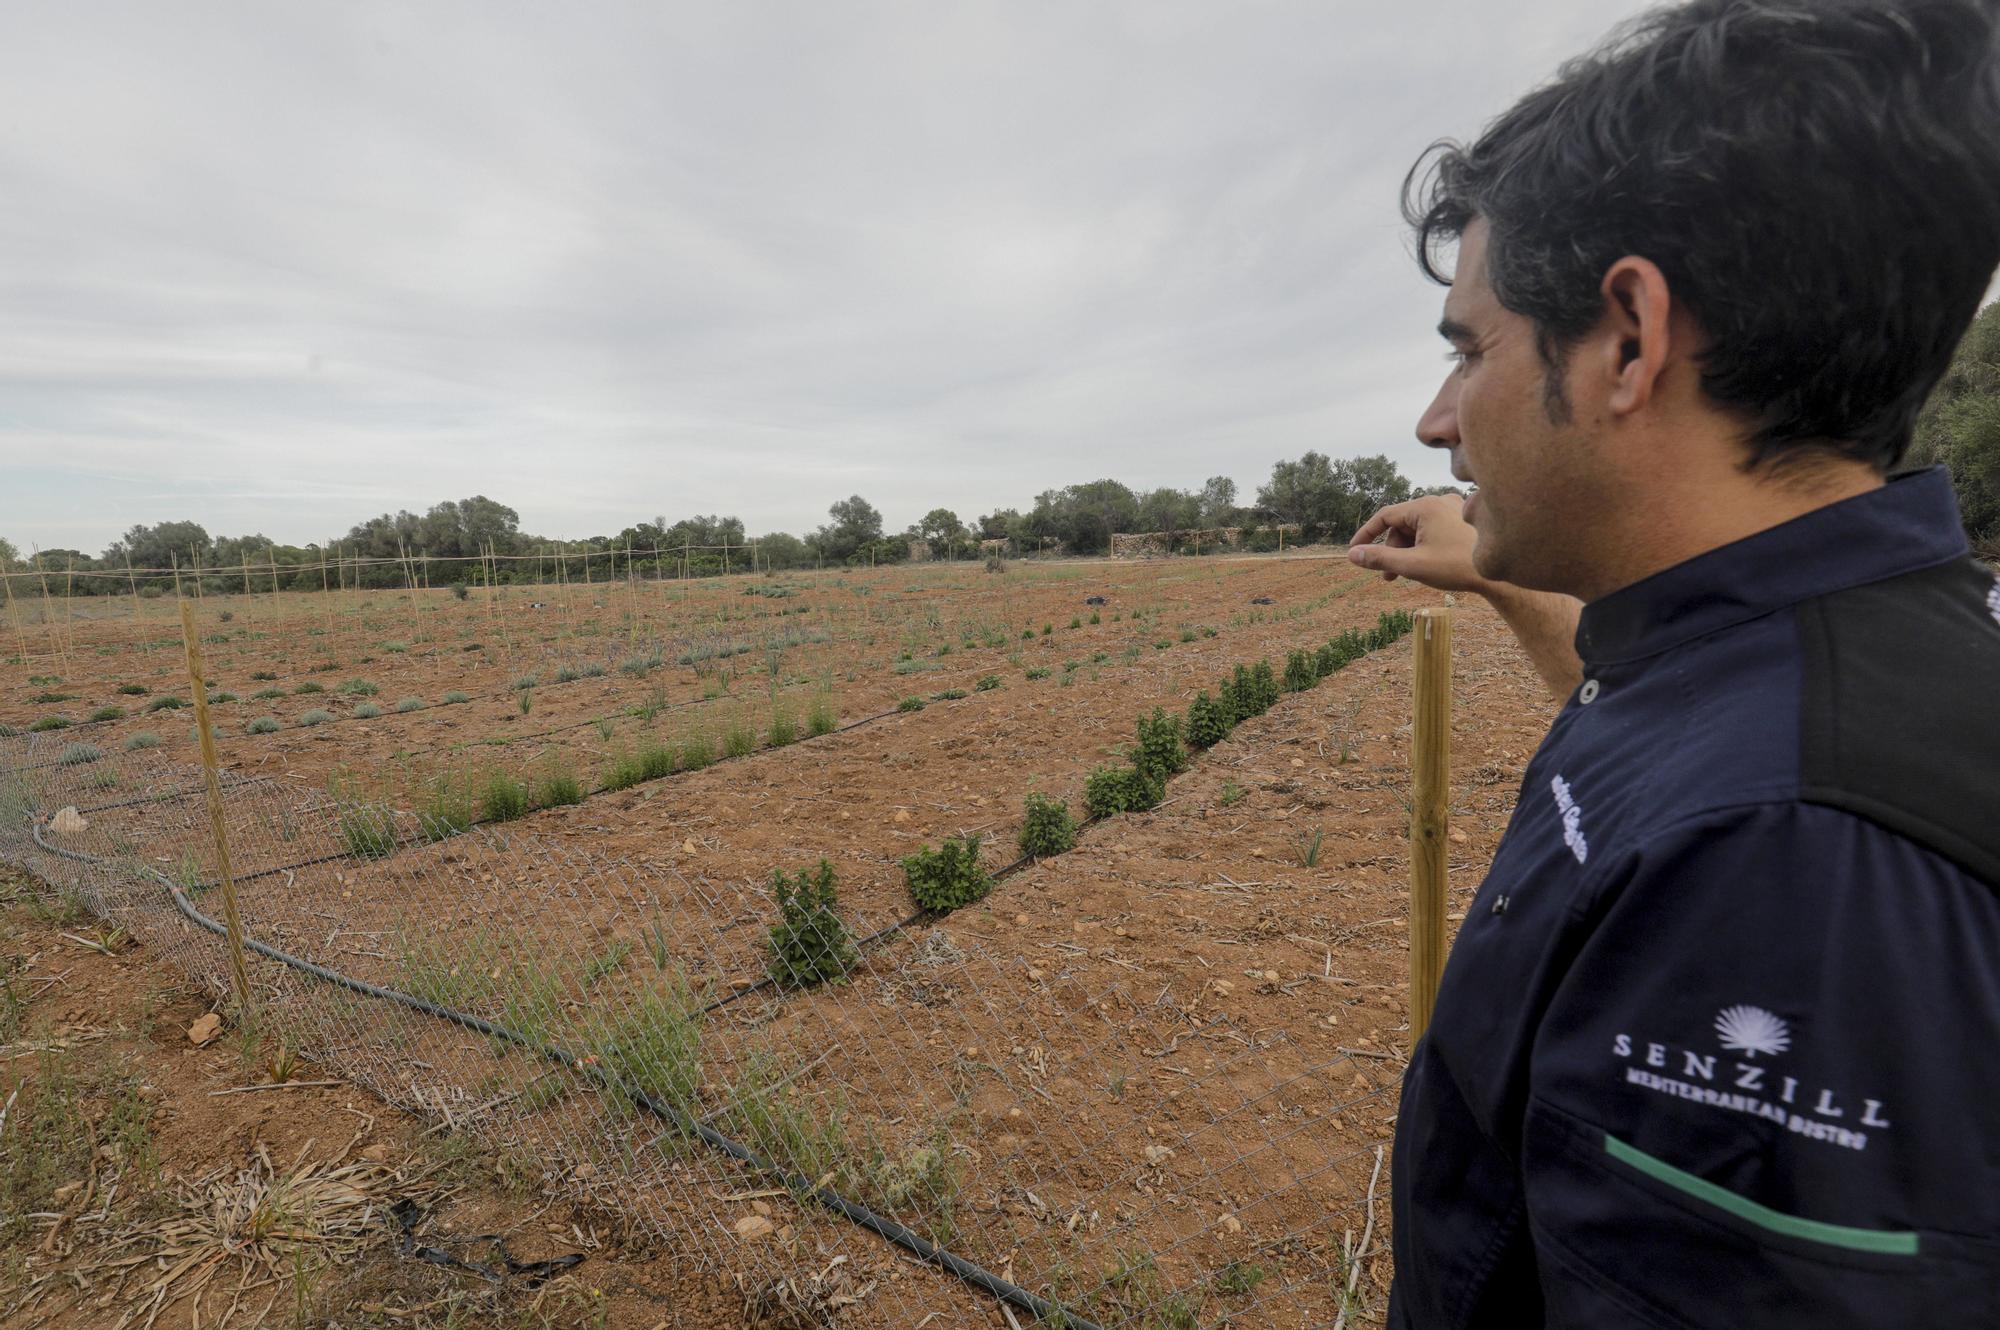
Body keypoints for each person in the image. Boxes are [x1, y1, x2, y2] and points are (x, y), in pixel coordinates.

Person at [1344, 1, 2000, 1324]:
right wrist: (1496, 569)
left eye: (1471, 349)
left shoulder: (1789, 857)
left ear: (1630, 338)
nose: (1435, 420)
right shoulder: (1810, 659)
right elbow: (1670, 736)